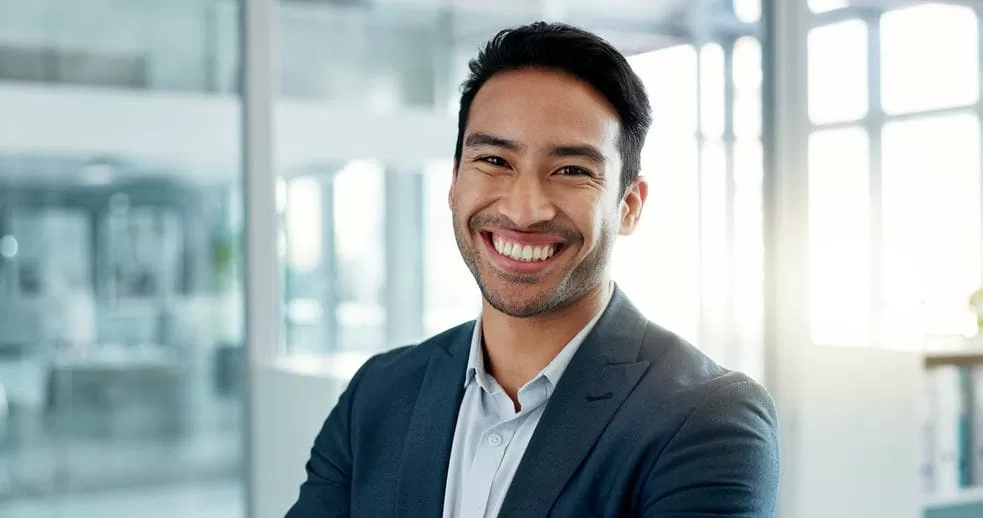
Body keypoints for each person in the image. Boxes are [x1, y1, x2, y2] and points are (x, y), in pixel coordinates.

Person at [286, 21, 779, 518]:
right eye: (495, 159)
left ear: (628, 205)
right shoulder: (378, 394)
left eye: (572, 171)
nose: (524, 211)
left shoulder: (707, 419)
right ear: (455, 182)